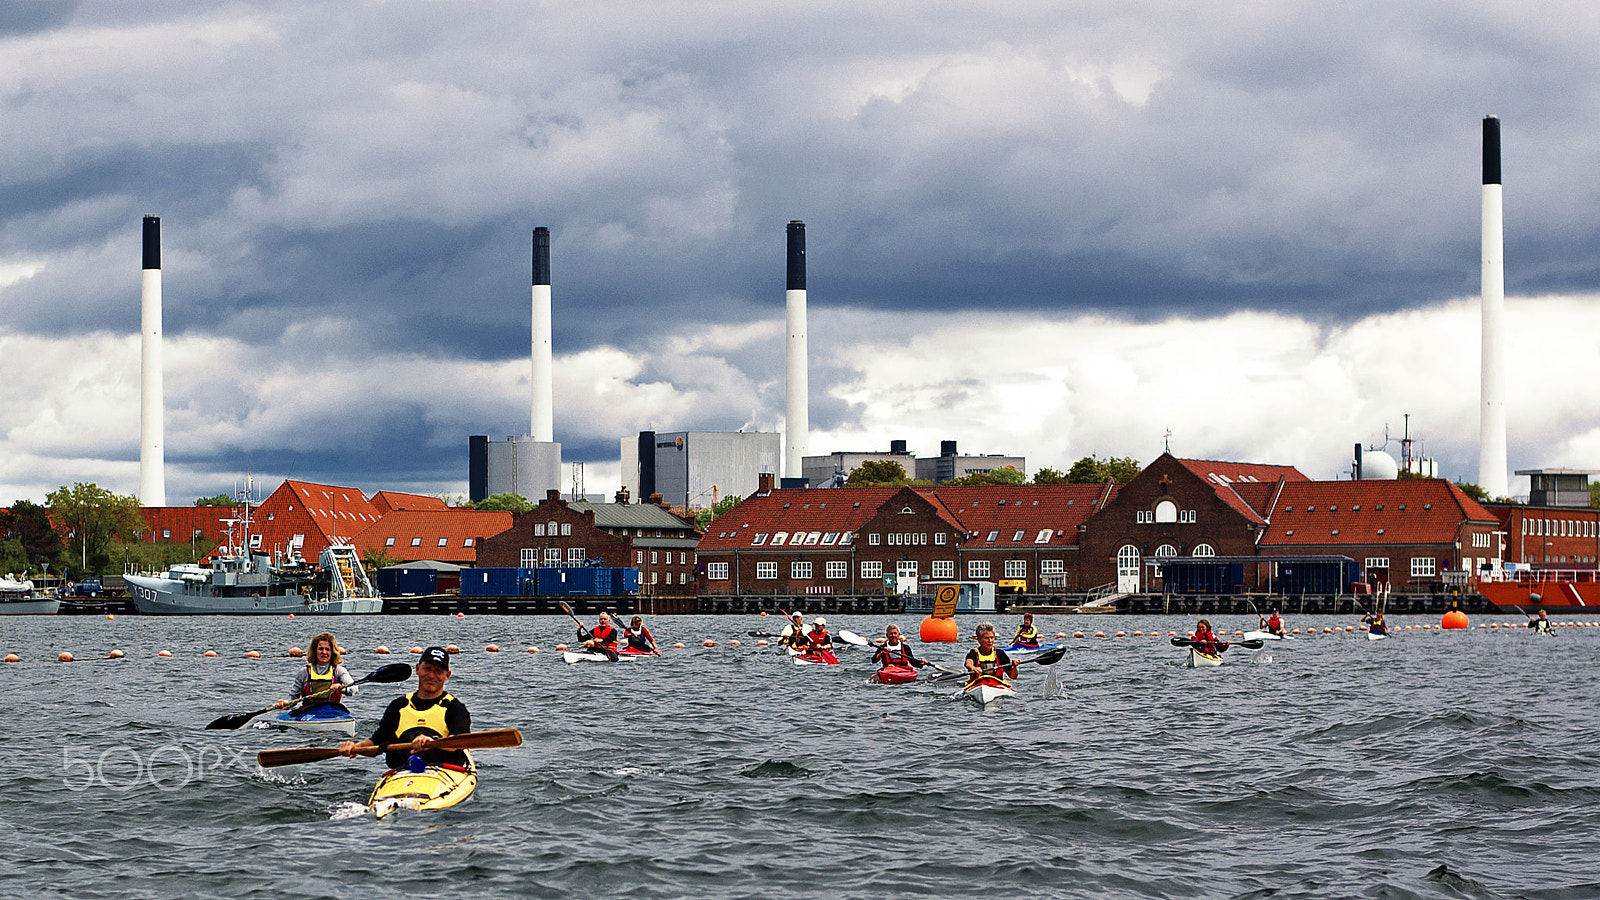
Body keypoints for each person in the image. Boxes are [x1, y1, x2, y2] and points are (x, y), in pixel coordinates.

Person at [339, 646, 470, 769]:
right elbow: (376, 742)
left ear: (447, 675)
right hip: (402, 773)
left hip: (445, 771)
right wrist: (355, 747)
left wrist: (431, 741)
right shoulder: (399, 706)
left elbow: (459, 742)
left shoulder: (454, 708)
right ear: (418, 669)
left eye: (438, 671)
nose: (431, 675)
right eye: (427, 668)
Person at [275, 632, 356, 712]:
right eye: (320, 649)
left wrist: (342, 689)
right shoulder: (304, 672)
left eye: (327, 649)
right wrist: (284, 703)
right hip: (308, 711)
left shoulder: (339, 671)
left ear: (332, 652)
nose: (324, 652)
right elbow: (293, 699)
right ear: (315, 651)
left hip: (332, 711)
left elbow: (354, 688)